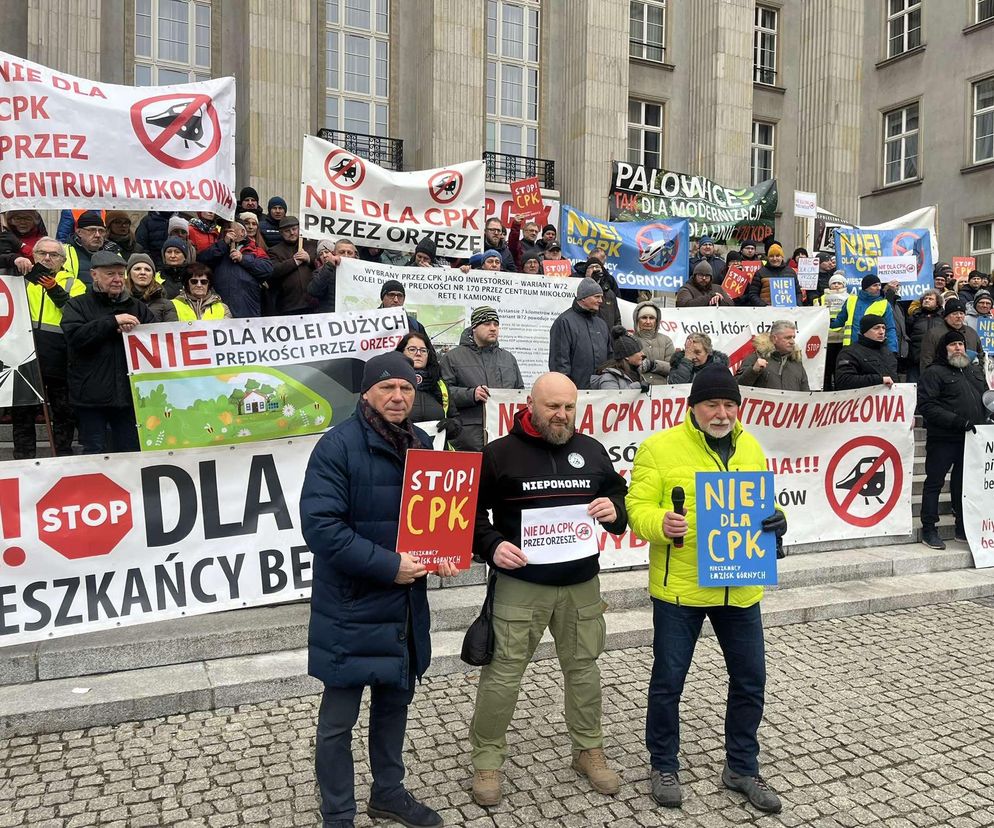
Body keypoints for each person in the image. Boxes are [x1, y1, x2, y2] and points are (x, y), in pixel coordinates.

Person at [300, 352, 455, 828]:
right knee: (337, 723)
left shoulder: (424, 443)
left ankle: (387, 793)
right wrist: (389, 566)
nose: (398, 397)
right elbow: (321, 527)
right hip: (351, 607)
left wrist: (444, 549)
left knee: (394, 708)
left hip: (405, 607)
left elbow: (435, 519)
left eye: (407, 389)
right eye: (387, 388)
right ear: (367, 392)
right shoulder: (337, 446)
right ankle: (338, 815)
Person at [626, 365, 786, 813]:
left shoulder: (751, 446)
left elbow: (762, 504)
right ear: (692, 407)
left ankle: (741, 767)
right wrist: (661, 522)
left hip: (741, 586)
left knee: (751, 681)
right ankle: (663, 763)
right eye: (712, 404)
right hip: (681, 589)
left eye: (729, 404)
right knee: (669, 682)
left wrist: (777, 521)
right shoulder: (659, 448)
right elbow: (636, 507)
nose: (721, 413)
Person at [468, 371, 629, 807]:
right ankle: (487, 760)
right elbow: (469, 515)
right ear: (530, 405)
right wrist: (492, 544)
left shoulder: (592, 451)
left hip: (581, 586)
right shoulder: (499, 454)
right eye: (552, 407)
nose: (561, 415)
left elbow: (620, 501)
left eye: (568, 407)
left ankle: (588, 750)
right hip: (522, 587)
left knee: (584, 671)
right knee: (503, 676)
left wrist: (613, 509)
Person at [61, 251, 155, 454]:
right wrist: (112, 322)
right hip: (91, 398)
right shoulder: (77, 305)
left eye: (121, 274)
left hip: (129, 398)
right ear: (94, 275)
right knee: (94, 452)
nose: (117, 280)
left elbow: (156, 341)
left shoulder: (138, 308)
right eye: (110, 274)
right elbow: (75, 337)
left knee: (130, 452)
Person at [8, 236, 85, 459]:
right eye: (42, 253)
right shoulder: (19, 280)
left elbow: (74, 311)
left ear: (63, 260)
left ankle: (62, 456)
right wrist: (14, 259)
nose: (48, 258)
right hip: (23, 355)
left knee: (63, 411)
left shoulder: (74, 283)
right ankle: (23, 459)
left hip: (59, 356)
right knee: (22, 412)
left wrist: (53, 288)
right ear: (34, 255)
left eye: (54, 255)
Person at [917, 330, 988, 550]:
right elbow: (927, 406)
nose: (958, 347)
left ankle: (961, 527)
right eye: (953, 344)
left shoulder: (973, 371)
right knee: (934, 483)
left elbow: (986, 397)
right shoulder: (934, 372)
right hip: (944, 438)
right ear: (944, 348)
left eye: (960, 343)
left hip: (971, 439)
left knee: (963, 485)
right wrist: (957, 421)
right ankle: (929, 529)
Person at [439, 306, 523, 451]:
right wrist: (471, 394)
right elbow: (442, 393)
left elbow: (519, 393)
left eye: (496, 324)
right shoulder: (452, 358)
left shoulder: (509, 358)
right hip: (468, 438)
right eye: (486, 324)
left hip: (504, 436)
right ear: (474, 328)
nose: (493, 328)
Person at [199, 221, 274, 318]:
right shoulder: (218, 248)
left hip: (247, 308)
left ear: (242, 232)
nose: (227, 232)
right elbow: (201, 261)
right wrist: (223, 244)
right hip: (219, 309)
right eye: (225, 230)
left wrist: (243, 259)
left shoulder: (255, 249)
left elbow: (268, 270)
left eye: (230, 229)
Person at [548, 277, 611, 390]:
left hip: (601, 395)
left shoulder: (602, 324)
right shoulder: (564, 322)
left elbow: (610, 358)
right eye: (597, 296)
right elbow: (560, 362)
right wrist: (565, 390)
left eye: (601, 297)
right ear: (583, 298)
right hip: (575, 394)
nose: (601, 301)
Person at [830, 273, 898, 353]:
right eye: (875, 285)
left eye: (879, 285)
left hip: (873, 348)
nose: (878, 288)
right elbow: (839, 322)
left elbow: (890, 329)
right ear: (866, 288)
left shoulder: (885, 304)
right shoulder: (851, 300)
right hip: (850, 348)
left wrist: (892, 350)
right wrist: (824, 320)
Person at [735, 321, 809, 391]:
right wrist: (753, 371)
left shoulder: (796, 362)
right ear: (774, 338)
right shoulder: (755, 358)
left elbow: (805, 395)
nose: (792, 342)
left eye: (793, 337)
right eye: (787, 338)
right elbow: (737, 388)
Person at [268, 216, 319, 315]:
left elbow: (323, 265)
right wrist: (294, 262)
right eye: (287, 231)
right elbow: (273, 270)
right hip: (289, 304)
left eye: (294, 229)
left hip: (314, 303)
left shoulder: (312, 245)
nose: (292, 233)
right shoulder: (274, 251)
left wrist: (309, 259)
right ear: (281, 233)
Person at [394, 332, 451, 422]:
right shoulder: (391, 382)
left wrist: (452, 425)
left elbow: (454, 417)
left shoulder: (440, 384)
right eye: (412, 349)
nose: (418, 354)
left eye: (423, 350)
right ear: (401, 352)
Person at [834, 315, 897, 390]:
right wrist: (879, 380)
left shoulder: (887, 352)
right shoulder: (849, 353)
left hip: (888, 399)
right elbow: (843, 381)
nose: (881, 332)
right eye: (876, 328)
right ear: (865, 331)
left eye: (883, 328)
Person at [920, 299, 985, 372]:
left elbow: (981, 355)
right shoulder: (933, 334)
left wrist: (977, 372)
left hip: (969, 377)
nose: (959, 316)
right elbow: (926, 360)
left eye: (961, 313)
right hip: (943, 378)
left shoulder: (971, 332)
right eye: (955, 314)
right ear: (946, 316)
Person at [62, 211, 120, 287]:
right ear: (79, 232)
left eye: (101, 231)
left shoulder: (114, 252)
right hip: (75, 297)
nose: (98, 235)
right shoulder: (64, 252)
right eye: (92, 230)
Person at [813, 273, 850, 389]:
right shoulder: (821, 299)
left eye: (839, 283)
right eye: (834, 283)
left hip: (844, 339)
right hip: (827, 340)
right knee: (826, 369)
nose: (837, 285)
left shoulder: (850, 298)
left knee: (840, 368)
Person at [308, 239, 357, 313]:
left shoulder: (361, 271)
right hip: (331, 318)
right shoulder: (322, 271)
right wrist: (329, 266)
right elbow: (313, 291)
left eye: (349, 253)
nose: (346, 255)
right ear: (334, 254)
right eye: (342, 252)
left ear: (354, 255)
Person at [907, 289, 945, 383]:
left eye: (930, 299)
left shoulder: (944, 318)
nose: (927, 300)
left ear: (937, 303)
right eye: (925, 298)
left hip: (937, 361)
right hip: (916, 360)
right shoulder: (914, 317)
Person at [126, 253, 177, 322]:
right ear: (129, 274)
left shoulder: (166, 305)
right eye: (137, 269)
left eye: (147, 269)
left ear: (153, 275)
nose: (143, 272)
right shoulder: (118, 301)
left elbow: (172, 329)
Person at [632, 301, 675, 385]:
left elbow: (673, 368)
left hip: (662, 391)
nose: (648, 322)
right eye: (644, 317)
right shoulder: (630, 340)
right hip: (637, 390)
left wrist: (653, 365)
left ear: (656, 320)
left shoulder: (666, 341)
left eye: (651, 318)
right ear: (637, 320)